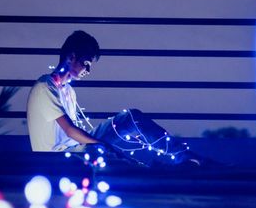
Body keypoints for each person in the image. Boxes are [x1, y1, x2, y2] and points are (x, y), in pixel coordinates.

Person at [27, 30, 202, 167]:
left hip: (76, 148)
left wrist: (106, 142)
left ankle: (183, 157)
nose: (88, 71)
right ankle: (149, 169)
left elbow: (74, 135)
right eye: (86, 64)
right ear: (72, 57)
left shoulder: (69, 91)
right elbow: (70, 131)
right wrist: (104, 145)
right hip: (58, 159)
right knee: (101, 149)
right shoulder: (45, 87)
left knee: (130, 118)